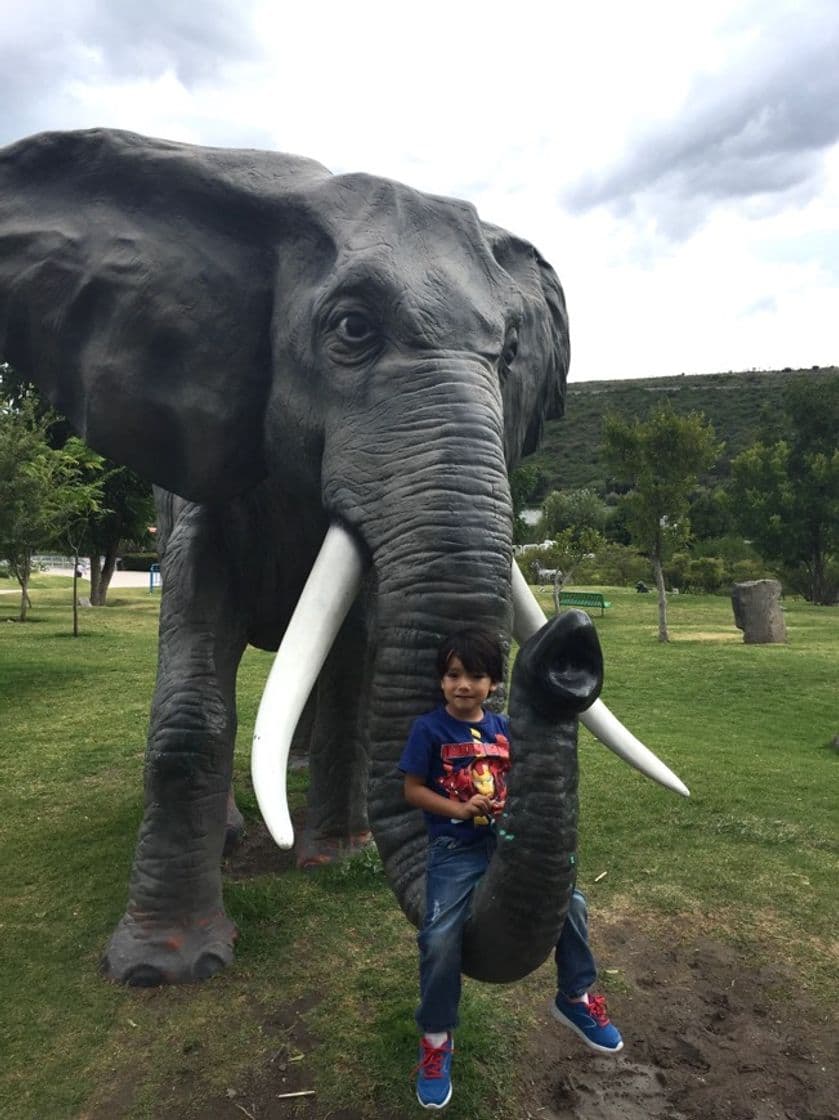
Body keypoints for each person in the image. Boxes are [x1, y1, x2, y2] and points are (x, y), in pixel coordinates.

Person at [399, 628, 622, 1111]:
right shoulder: (430, 730)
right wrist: (456, 810)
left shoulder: (504, 728)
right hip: (455, 851)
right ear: (441, 682)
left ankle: (576, 996)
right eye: (454, 675)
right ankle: (437, 1039)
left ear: (494, 683)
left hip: (507, 844)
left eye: (476, 676)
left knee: (574, 904)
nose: (464, 685)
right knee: (439, 936)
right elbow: (412, 791)